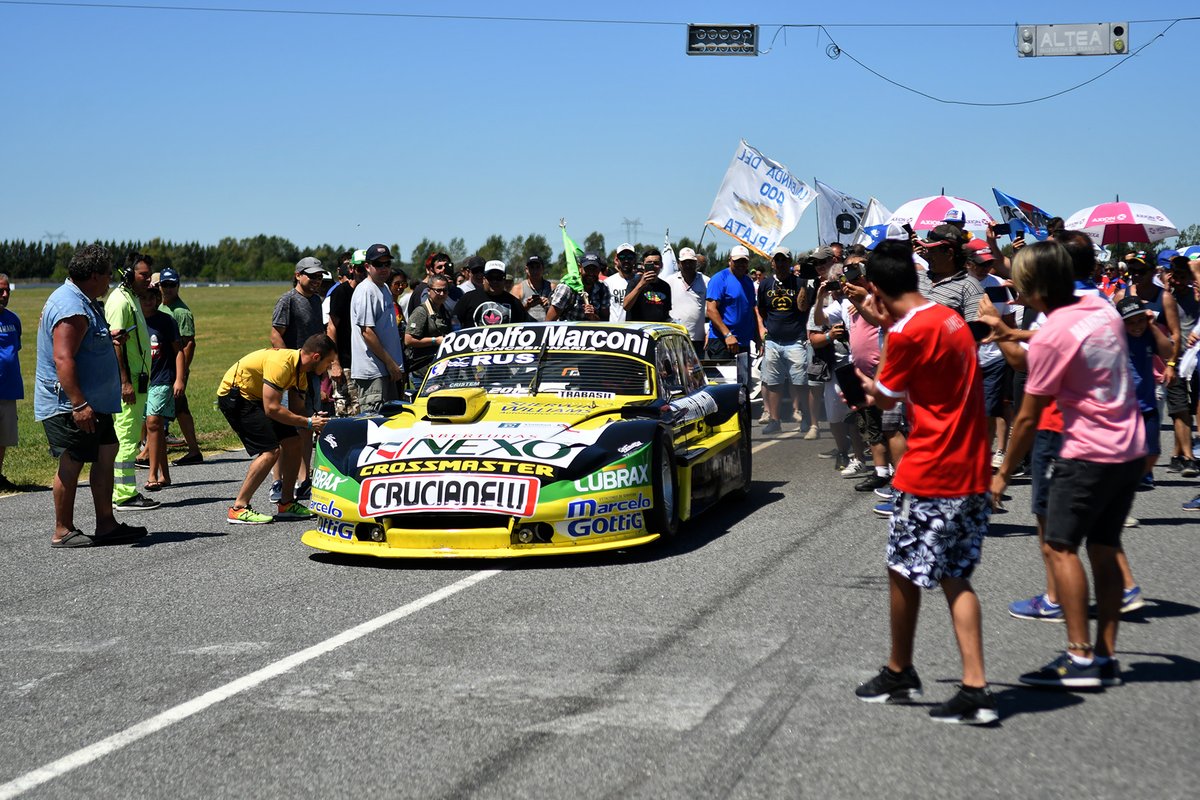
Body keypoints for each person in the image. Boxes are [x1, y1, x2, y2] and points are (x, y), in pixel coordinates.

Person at [993, 241, 1145, 689]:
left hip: (1087, 451)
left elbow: (1027, 415)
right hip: (1128, 446)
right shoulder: (1102, 310)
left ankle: (1079, 659)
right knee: (1103, 547)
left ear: (1034, 286)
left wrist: (1002, 474)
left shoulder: (1057, 330)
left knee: (1061, 547)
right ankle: (1105, 655)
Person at [854, 239, 995, 724]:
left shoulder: (909, 333)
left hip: (933, 467)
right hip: (972, 465)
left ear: (874, 287)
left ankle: (900, 669)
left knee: (901, 568)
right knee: (956, 575)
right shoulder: (945, 317)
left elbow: (886, 398)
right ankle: (973, 685)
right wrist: (888, 322)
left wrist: (863, 384)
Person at [36, 244, 147, 547]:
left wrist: (107, 337)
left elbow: (82, 344)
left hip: (96, 403)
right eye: (108, 274)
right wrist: (79, 404)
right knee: (72, 462)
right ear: (95, 275)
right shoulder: (70, 307)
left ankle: (106, 524)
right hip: (73, 404)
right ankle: (62, 529)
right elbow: (63, 358)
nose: (110, 280)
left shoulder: (84, 300)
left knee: (106, 452)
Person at [218, 334, 336, 524]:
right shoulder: (282, 364)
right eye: (329, 362)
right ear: (316, 357)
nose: (329, 368)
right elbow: (271, 408)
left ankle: (287, 503)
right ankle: (238, 508)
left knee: (294, 442)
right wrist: (307, 422)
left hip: (256, 398)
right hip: (236, 396)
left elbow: (297, 411)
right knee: (270, 451)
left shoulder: (301, 374)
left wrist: (313, 424)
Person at [104, 252, 160, 512]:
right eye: (144, 275)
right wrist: (124, 382)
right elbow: (115, 344)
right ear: (128, 274)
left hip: (138, 382)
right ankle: (124, 495)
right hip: (127, 386)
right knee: (126, 438)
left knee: (128, 436)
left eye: (149, 275)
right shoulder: (119, 302)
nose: (149, 281)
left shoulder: (132, 298)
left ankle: (122, 491)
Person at [269, 256, 326, 503]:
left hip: (310, 375)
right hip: (290, 375)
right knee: (284, 429)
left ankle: (303, 480)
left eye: (319, 276)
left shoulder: (317, 301)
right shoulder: (288, 300)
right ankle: (277, 483)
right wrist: (289, 367)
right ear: (297, 275)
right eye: (311, 275)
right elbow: (275, 335)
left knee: (306, 425)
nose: (316, 280)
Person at [755, 247, 810, 434]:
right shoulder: (765, 284)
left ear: (789, 261)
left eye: (784, 260)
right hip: (773, 339)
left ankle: (806, 417)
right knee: (773, 382)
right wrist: (765, 328)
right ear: (772, 263)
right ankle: (774, 420)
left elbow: (803, 308)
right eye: (777, 260)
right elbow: (762, 310)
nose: (780, 264)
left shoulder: (799, 282)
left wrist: (802, 286)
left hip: (795, 339)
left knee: (800, 381)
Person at [138, 286, 184, 492]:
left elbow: (179, 351)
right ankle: (165, 475)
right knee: (153, 426)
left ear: (158, 299)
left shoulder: (166, 321)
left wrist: (179, 379)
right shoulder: (135, 321)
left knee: (153, 423)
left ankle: (152, 474)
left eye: (151, 297)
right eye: (143, 297)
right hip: (142, 381)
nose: (147, 301)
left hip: (163, 379)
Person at [351, 244, 407, 414]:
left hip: (387, 371)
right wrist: (390, 363)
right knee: (376, 426)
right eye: (378, 264)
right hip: (373, 373)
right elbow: (367, 332)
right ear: (367, 267)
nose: (384, 269)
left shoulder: (383, 289)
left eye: (387, 264)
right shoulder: (366, 291)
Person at [157, 268, 202, 466]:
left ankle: (149, 453)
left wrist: (181, 374)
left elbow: (189, 344)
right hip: (162, 367)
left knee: (163, 410)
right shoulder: (160, 306)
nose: (168, 289)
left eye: (172, 285)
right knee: (179, 408)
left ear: (178, 286)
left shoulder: (181, 312)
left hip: (174, 371)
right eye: (164, 284)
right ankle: (193, 450)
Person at [326, 249, 366, 417]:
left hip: (366, 364)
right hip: (346, 362)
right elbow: (331, 328)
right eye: (359, 268)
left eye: (367, 268)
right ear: (351, 269)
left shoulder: (371, 291)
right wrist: (335, 363)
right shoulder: (341, 293)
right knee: (346, 412)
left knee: (362, 411)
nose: (363, 273)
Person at [920, 225, 984, 321]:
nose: (927, 255)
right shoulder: (916, 277)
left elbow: (976, 331)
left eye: (932, 251)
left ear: (949, 253)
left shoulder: (969, 287)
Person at [705, 245, 758, 359]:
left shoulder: (748, 281)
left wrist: (757, 336)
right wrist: (727, 334)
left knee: (743, 377)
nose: (740, 264)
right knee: (723, 377)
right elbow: (710, 310)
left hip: (743, 342)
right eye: (737, 261)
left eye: (744, 261)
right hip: (722, 341)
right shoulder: (719, 279)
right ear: (730, 260)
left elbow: (752, 309)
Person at [404, 274, 454, 388]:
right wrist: (435, 341)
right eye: (438, 290)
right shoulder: (421, 312)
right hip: (423, 375)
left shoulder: (444, 311)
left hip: (441, 373)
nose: (442, 294)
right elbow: (408, 340)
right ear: (429, 291)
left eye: (445, 291)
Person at [455, 261, 532, 328]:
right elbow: (454, 322)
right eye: (490, 277)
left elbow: (527, 326)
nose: (494, 281)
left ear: (504, 280)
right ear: (484, 279)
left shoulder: (514, 303)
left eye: (498, 278)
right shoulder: (468, 298)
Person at [665, 247, 709, 358]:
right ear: (679, 263)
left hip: (698, 338)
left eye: (691, 262)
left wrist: (708, 332)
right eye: (685, 262)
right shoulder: (669, 281)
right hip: (675, 336)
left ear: (696, 263)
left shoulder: (706, 281)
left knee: (696, 373)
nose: (688, 265)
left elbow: (711, 309)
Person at [0, 273, 21, 491]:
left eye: (7, 291)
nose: (5, 295)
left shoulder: (13, 320)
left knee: (3, 438)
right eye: (0, 291)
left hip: (9, 388)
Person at [546, 252, 610, 322]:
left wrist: (593, 316)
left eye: (594, 269)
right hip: (567, 331)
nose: (591, 273)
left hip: (592, 331)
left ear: (599, 270)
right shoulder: (566, 288)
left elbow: (605, 321)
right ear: (580, 268)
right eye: (588, 268)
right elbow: (549, 322)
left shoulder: (603, 289)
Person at [622, 247, 673, 323]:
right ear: (643, 265)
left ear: (661, 265)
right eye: (649, 263)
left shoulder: (665, 286)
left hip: (657, 330)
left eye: (656, 263)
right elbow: (626, 306)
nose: (653, 266)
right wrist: (641, 285)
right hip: (637, 331)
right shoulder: (635, 282)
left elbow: (666, 313)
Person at [515, 255, 553, 321]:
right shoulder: (518, 288)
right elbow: (513, 314)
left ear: (543, 269)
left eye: (538, 267)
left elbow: (560, 311)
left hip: (547, 327)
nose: (535, 271)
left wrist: (549, 305)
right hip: (526, 329)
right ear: (526, 270)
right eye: (532, 267)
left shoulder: (552, 287)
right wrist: (527, 306)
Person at [606, 243, 638, 322]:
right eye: (622, 257)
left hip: (635, 328)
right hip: (616, 329)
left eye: (630, 257)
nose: (626, 260)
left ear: (634, 260)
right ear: (616, 260)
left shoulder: (640, 282)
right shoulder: (608, 282)